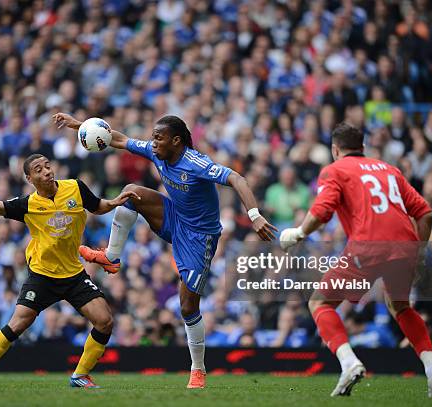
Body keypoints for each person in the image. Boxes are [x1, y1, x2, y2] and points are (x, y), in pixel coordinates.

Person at [53, 113, 277, 388]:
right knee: (132, 192)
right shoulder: (157, 151)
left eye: (159, 137)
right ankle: (111, 257)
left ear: (177, 140)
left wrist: (254, 215)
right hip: (174, 218)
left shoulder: (196, 163)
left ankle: (198, 369)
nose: (153, 141)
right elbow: (121, 139)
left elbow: (238, 179)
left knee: (187, 306)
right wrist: (84, 126)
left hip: (199, 237)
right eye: (154, 136)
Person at [280, 122, 432, 398]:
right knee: (402, 307)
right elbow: (425, 213)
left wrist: (299, 232)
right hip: (405, 246)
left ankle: (349, 363)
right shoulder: (389, 169)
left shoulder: (335, 170)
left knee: (320, 301)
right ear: (363, 147)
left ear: (335, 150)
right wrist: (418, 254)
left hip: (369, 246)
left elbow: (322, 210)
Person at [0, 153, 139, 389]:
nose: (46, 171)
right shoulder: (28, 204)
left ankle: (79, 375)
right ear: (29, 178)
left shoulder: (75, 188)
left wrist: (115, 202)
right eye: (39, 169)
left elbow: (97, 206)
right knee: (17, 324)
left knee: (105, 321)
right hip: (42, 276)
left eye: (48, 165)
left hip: (73, 274)